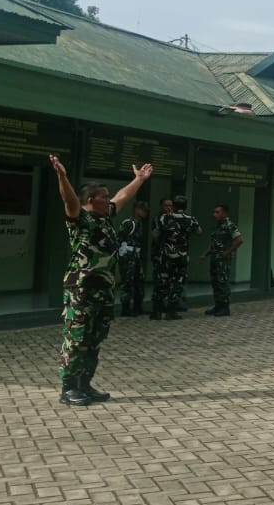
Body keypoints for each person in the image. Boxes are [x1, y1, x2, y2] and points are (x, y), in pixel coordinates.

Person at [49, 154, 152, 406]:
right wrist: (62, 175)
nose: (109, 199)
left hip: (103, 289)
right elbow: (69, 200)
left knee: (95, 339)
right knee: (78, 337)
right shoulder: (80, 218)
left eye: (108, 196)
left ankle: (85, 384)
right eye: (104, 196)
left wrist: (138, 180)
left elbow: (122, 197)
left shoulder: (104, 217)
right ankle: (69, 387)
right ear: (90, 200)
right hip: (81, 289)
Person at [152, 195, 201, 319]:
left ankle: (157, 312)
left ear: (173, 205)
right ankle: (171, 312)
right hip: (181, 256)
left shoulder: (164, 218)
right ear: (185, 206)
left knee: (162, 282)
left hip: (166, 255)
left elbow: (156, 234)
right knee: (177, 283)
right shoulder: (190, 219)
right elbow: (199, 232)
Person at [202, 203, 244, 316]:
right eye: (214, 212)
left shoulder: (230, 225)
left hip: (223, 261)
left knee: (222, 282)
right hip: (215, 259)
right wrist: (206, 254)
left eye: (217, 212)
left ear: (224, 213)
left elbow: (239, 240)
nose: (214, 214)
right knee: (215, 282)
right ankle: (218, 305)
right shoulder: (217, 227)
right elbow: (215, 244)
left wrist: (228, 252)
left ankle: (225, 307)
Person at [116, 201, 149, 317]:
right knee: (127, 282)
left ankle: (137, 306)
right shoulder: (129, 223)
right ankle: (125, 308)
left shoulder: (138, 223)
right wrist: (121, 253)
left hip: (136, 255)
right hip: (128, 255)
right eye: (143, 210)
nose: (145, 213)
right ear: (136, 209)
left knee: (139, 280)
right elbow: (119, 239)